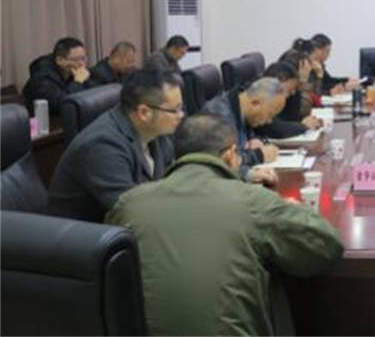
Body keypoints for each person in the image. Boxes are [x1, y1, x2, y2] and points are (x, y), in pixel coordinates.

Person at [106, 114, 343, 336]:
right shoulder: (252, 201)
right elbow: (327, 246)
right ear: (230, 155)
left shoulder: (129, 203)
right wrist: (294, 210)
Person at [47, 69, 182, 222]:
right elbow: (131, 211)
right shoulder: (101, 145)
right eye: (175, 110)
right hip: (87, 232)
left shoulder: (157, 132)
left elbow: (170, 183)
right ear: (144, 113)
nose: (181, 115)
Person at [200, 77, 284, 179]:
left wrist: (258, 141)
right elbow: (224, 163)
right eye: (270, 114)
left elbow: (250, 142)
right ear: (255, 103)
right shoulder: (220, 116)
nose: (269, 121)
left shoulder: (243, 111)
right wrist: (258, 156)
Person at [22, 36, 93, 114]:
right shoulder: (41, 77)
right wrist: (78, 82)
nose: (81, 64)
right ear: (59, 60)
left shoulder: (74, 72)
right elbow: (62, 104)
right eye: (76, 60)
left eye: (83, 58)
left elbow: (93, 94)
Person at [257, 61, 321, 139]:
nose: (292, 93)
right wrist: (303, 126)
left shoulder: (281, 98)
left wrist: (298, 86)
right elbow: (274, 129)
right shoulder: (259, 98)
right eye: (289, 90)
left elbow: (293, 117)